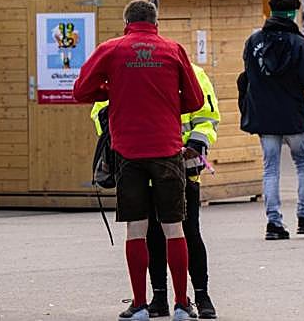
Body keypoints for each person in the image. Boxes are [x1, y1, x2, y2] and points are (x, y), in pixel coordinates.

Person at [73, 0, 205, 321]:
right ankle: (181, 304)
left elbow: (81, 90)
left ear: (126, 23)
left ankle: (140, 304)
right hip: (166, 149)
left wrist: (111, 89)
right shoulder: (172, 49)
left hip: (128, 152)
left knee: (136, 228)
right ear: (156, 23)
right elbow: (195, 99)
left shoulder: (112, 49)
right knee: (174, 228)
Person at [92, 63, 221, 319]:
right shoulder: (125, 71)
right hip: (140, 164)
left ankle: (201, 294)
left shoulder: (192, 72)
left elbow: (207, 115)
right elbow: (99, 112)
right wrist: (114, 121)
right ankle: (159, 297)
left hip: (182, 165)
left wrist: (197, 140)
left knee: (189, 232)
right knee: (152, 235)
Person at [240, 0, 304, 241]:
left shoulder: (253, 41)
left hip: (265, 115)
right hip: (293, 114)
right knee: (303, 164)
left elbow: (247, 75)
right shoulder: (299, 43)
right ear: (293, 14)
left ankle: (273, 223)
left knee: (270, 168)